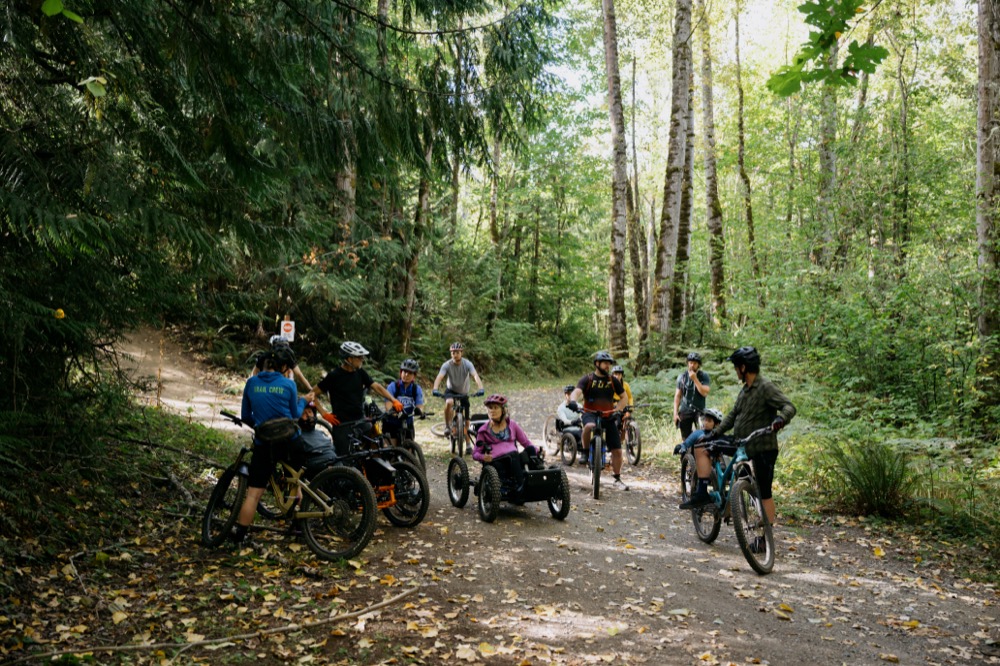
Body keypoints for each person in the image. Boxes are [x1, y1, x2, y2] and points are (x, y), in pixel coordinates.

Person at [679, 346, 796, 533]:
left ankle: (764, 537)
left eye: (736, 367)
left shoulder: (765, 387)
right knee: (702, 445)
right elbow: (732, 416)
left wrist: (780, 420)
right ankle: (702, 493)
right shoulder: (745, 391)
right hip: (741, 443)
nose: (735, 371)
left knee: (764, 492)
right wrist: (715, 433)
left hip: (762, 446)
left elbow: (789, 406)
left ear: (743, 367)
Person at [231, 346, 302, 546]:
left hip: (264, 444)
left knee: (253, 494)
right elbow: (295, 415)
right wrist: (304, 402)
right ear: (281, 367)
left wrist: (263, 423)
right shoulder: (288, 385)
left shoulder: (251, 383)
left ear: (260, 365)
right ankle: (298, 526)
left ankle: (239, 536)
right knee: (295, 481)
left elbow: (246, 417)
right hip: (289, 441)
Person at [308, 341, 403, 457]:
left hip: (360, 421)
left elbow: (376, 386)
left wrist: (393, 400)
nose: (362, 359)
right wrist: (324, 414)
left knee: (378, 449)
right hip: (342, 425)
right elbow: (312, 393)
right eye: (359, 357)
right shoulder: (334, 376)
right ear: (349, 359)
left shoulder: (360, 372)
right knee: (347, 461)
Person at [568, 351, 630, 490]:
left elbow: (624, 397)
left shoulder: (612, 380)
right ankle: (584, 452)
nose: (608, 366)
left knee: (618, 450)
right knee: (589, 426)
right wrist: (573, 401)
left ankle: (617, 478)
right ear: (597, 363)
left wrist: (618, 409)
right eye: (605, 363)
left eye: (609, 364)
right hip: (589, 413)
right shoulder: (588, 379)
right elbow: (577, 391)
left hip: (608, 415)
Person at [473, 394, 539, 494]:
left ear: (503, 410)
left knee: (530, 450)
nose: (492, 410)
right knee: (513, 454)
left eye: (495, 407)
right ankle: (520, 487)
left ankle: (535, 480)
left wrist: (536, 450)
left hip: (514, 460)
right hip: (496, 462)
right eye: (490, 408)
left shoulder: (512, 425)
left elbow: (525, 442)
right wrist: (483, 457)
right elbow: (475, 453)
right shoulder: (483, 431)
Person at [432, 342, 484, 455]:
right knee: (449, 402)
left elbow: (475, 375)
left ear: (461, 353)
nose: (455, 355)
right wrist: (435, 388)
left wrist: (480, 388)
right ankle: (447, 426)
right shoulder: (447, 365)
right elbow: (439, 377)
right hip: (450, 390)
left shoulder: (467, 364)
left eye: (457, 352)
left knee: (466, 420)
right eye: (453, 353)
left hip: (463, 393)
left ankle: (468, 443)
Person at [383, 358, 426, 446]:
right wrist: (396, 414)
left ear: (414, 376)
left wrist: (419, 411)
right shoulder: (393, 386)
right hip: (392, 423)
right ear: (400, 372)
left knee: (409, 453)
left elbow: (420, 405)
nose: (406, 375)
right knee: (392, 451)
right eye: (404, 372)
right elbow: (388, 406)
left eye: (410, 373)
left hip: (408, 423)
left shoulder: (416, 389)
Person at [673, 352, 710, 439]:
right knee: (686, 438)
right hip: (685, 410)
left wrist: (695, 379)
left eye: (695, 363)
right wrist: (675, 413)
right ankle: (687, 452)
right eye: (690, 363)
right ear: (688, 364)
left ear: (698, 365)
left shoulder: (704, 376)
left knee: (703, 436)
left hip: (699, 410)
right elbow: (677, 396)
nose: (692, 365)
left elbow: (704, 392)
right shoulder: (682, 377)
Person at [611, 365, 635, 441]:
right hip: (614, 407)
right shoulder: (609, 385)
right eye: (615, 374)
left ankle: (630, 436)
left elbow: (630, 397)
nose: (617, 376)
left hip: (624, 405)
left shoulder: (625, 385)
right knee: (617, 422)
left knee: (630, 418)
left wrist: (631, 407)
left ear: (621, 375)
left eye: (619, 374)